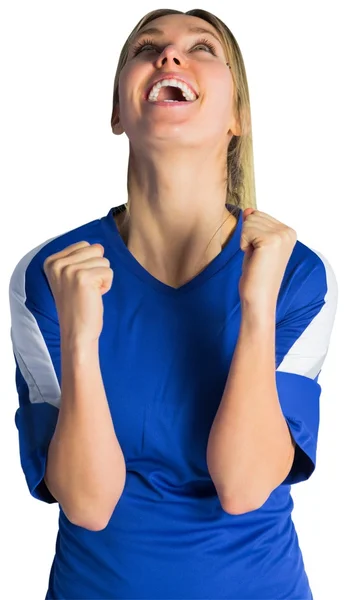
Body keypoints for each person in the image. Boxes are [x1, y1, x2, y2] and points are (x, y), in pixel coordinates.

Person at [8, 8, 338, 600]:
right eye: (147, 47)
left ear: (237, 115)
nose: (168, 56)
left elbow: (243, 486)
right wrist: (82, 341)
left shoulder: (294, 273)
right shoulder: (51, 275)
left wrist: (256, 311)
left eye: (202, 48)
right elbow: (87, 503)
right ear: (117, 111)